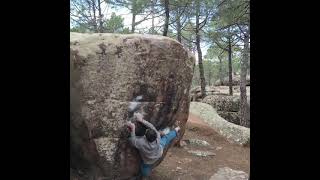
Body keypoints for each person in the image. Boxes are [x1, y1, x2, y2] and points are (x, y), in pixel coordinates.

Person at [126, 112, 180, 179]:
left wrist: (133, 128)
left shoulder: (142, 142)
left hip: (148, 160)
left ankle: (144, 176)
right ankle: (176, 131)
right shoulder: (157, 136)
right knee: (166, 138)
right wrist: (141, 120)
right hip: (158, 152)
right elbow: (152, 127)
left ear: (145, 137)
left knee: (145, 168)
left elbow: (133, 140)